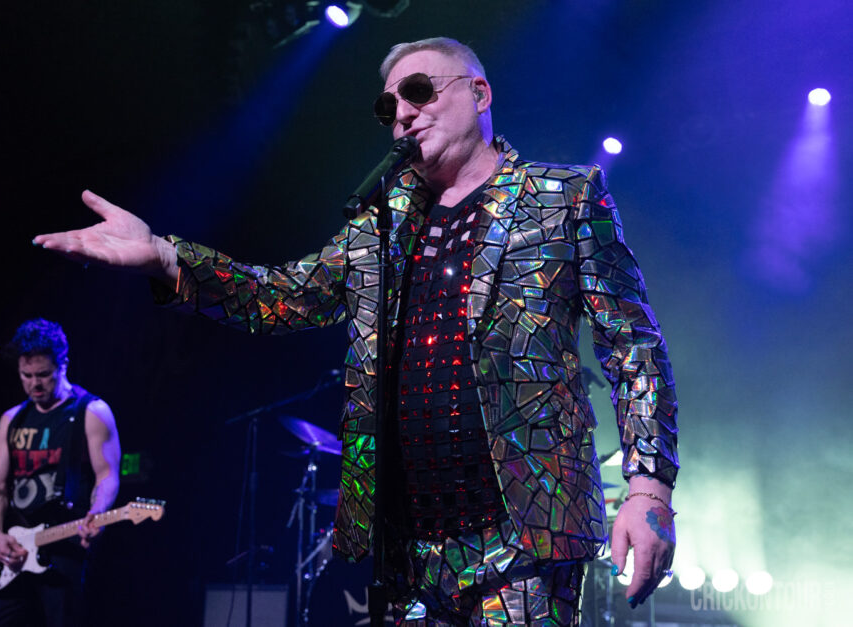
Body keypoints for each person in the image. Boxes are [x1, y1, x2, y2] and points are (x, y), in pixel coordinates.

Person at [34, 37, 677, 626]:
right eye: (388, 105)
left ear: (479, 94)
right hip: (406, 553)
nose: (401, 113)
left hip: (522, 540)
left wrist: (648, 491)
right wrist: (165, 258)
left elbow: (634, 346)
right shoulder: (379, 226)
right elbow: (278, 297)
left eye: (420, 91)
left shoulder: (563, 198)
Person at [0, 319, 121, 627]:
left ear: (63, 365)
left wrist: (97, 512)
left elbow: (107, 475)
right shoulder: (12, 419)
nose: (35, 384)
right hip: (17, 549)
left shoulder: (93, 412)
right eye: (26, 376)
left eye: (43, 374)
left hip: (65, 547)